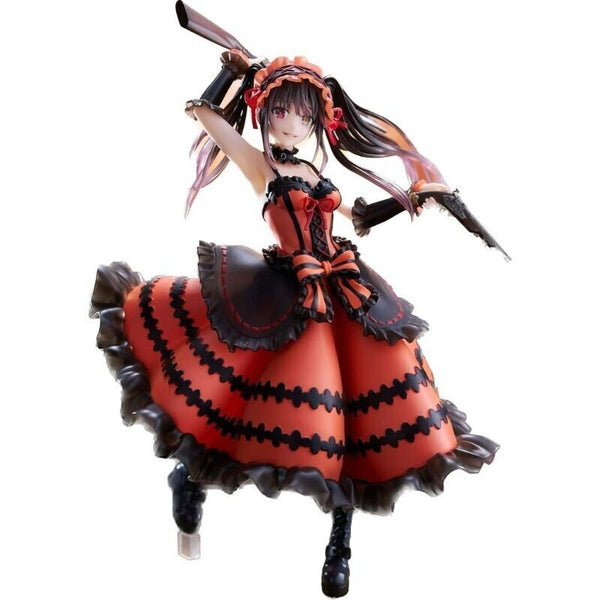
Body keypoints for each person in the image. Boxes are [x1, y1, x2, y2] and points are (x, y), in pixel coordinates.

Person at [91, 50, 498, 598]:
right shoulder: (261, 165)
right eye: (281, 111)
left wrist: (412, 200)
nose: (291, 123)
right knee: (239, 393)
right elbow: (204, 114)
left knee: (362, 415)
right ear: (265, 112)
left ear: (318, 121)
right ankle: (189, 478)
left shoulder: (315, 173)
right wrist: (231, 71)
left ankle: (340, 542)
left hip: (344, 288)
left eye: (304, 115)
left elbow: (359, 218)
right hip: (288, 289)